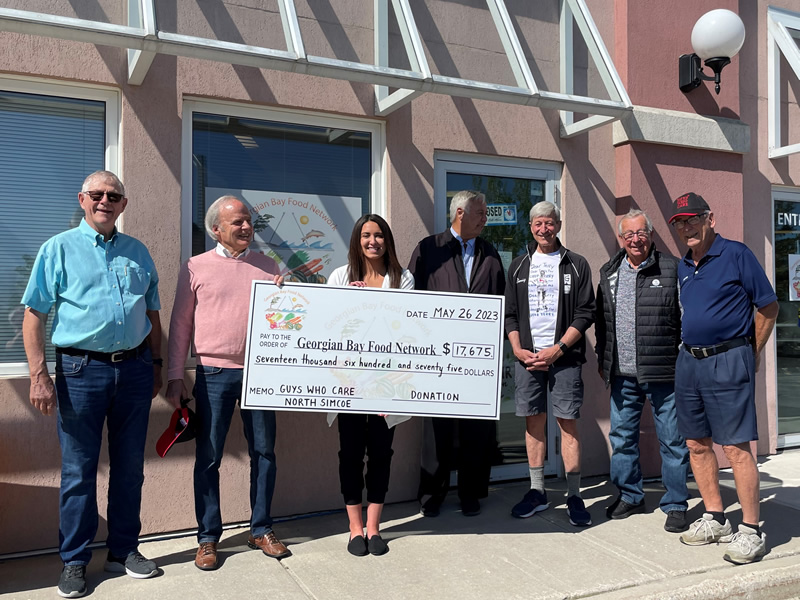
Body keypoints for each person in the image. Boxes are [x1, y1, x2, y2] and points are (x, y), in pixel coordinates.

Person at [22, 170, 162, 598]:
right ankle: (76, 561)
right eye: (98, 194)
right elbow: (34, 315)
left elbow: (153, 313)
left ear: (123, 204)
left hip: (135, 369)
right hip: (81, 372)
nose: (106, 200)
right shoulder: (58, 249)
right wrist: (38, 375)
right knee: (78, 471)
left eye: (114, 195)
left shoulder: (138, 252)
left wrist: (156, 364)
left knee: (129, 469)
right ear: (82, 199)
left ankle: (123, 550)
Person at [166, 195, 289, 572]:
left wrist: (291, 297)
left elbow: (287, 323)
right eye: (237, 222)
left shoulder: (269, 267)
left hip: (260, 373)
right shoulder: (195, 267)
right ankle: (207, 538)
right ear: (216, 229)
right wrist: (174, 375)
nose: (246, 227)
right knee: (209, 456)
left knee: (265, 453)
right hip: (213, 374)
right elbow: (180, 325)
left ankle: (261, 528)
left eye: (248, 220)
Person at [670, 192, 778, 564]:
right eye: (680, 223)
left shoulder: (736, 254)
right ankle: (716, 518)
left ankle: (751, 530)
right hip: (689, 362)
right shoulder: (684, 264)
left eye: (692, 219)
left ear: (710, 219)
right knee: (697, 445)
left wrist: (752, 351)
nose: (687, 227)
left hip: (729, 359)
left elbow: (768, 305)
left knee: (734, 448)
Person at [408, 190, 505, 517]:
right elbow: (411, 300)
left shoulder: (490, 252)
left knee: (476, 430)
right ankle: (431, 495)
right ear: (460, 213)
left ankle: (471, 493)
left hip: (478, 360)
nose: (485, 219)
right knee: (438, 432)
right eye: (481, 213)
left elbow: (501, 302)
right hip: (437, 359)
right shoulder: (428, 249)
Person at [595, 209, 690, 532]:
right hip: (622, 375)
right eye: (628, 234)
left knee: (673, 441)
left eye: (641, 233)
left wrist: (681, 359)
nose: (635, 239)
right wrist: (602, 359)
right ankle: (631, 495)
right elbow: (602, 322)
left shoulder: (671, 269)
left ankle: (676, 502)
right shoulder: (608, 271)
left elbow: (685, 319)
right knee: (621, 438)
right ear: (621, 239)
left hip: (665, 373)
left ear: (650, 235)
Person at [327, 214, 414, 556]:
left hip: (387, 383)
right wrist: (352, 303)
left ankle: (374, 527)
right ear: (357, 240)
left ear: (387, 240)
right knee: (349, 454)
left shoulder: (402, 277)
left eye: (379, 235)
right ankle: (354, 528)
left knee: (380, 454)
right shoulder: (340, 276)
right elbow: (327, 324)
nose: (372, 241)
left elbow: (404, 326)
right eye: (366, 235)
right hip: (348, 381)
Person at [504, 201, 594, 526]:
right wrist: (517, 348)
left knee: (567, 424)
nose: (545, 229)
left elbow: (586, 312)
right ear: (531, 227)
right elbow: (510, 314)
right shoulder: (518, 266)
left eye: (550, 222)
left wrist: (558, 348)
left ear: (558, 224)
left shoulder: (576, 264)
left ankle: (574, 496)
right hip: (528, 358)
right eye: (539, 223)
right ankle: (537, 491)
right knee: (533, 423)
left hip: (564, 359)